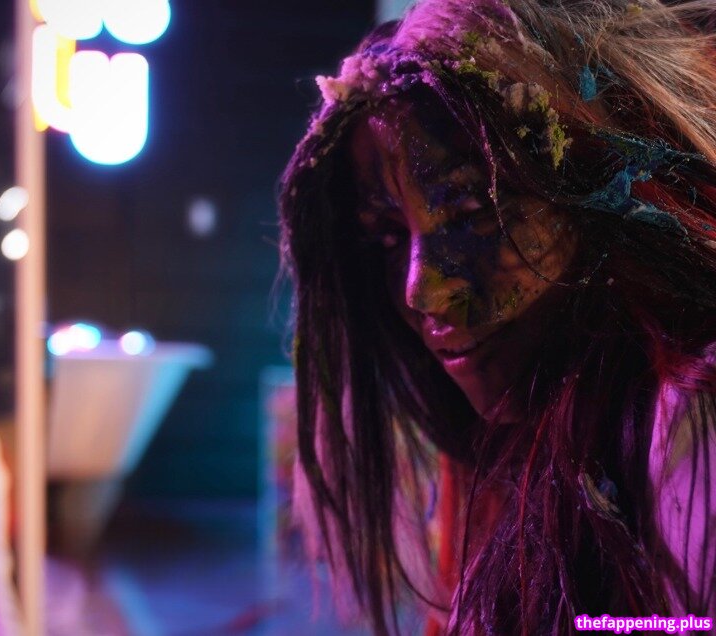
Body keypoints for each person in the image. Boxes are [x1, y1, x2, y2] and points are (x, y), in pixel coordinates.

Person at [278, 0, 716, 633]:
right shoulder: (499, 437)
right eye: (390, 236)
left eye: (472, 212)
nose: (422, 292)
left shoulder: (689, 415)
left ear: (593, 191)